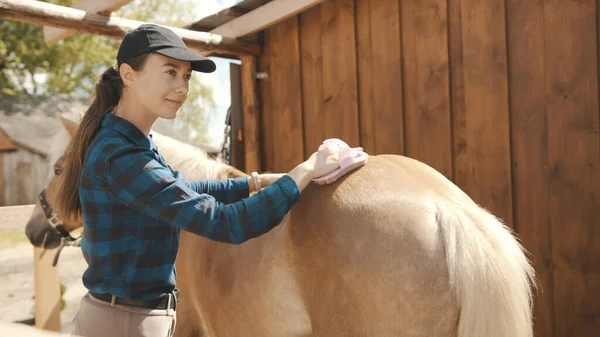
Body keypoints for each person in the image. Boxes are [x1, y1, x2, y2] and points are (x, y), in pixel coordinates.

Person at [55, 24, 359, 337]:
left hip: (127, 317)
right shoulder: (122, 158)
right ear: (129, 75)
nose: (182, 87)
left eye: (186, 76)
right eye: (170, 72)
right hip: (125, 324)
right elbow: (228, 223)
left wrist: (261, 181)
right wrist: (305, 171)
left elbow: (183, 190)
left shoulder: (133, 143)